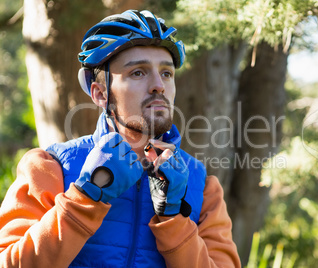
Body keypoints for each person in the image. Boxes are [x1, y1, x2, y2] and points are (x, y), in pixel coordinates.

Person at [0, 10, 241, 267]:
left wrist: (175, 220)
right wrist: (84, 197)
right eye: (138, 72)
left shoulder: (203, 186)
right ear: (101, 94)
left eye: (167, 73)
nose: (158, 85)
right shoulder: (50, 167)